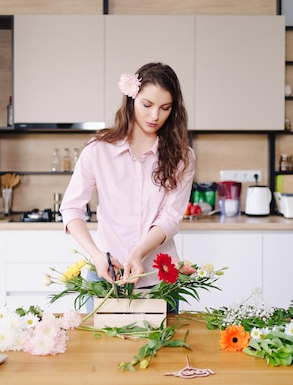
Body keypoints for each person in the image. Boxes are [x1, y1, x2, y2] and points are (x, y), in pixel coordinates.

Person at [59, 62, 195, 305]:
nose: (155, 116)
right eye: (147, 105)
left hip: (159, 280)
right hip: (106, 278)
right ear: (131, 99)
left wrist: (138, 253)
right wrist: (97, 255)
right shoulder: (98, 150)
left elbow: (170, 218)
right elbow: (71, 209)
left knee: (164, 344)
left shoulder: (183, 158)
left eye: (165, 108)